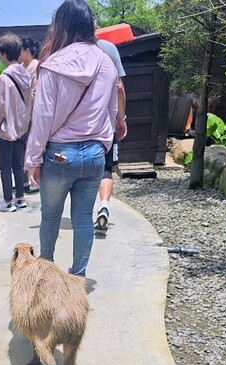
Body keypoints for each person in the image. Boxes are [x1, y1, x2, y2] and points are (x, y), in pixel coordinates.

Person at [24, 0, 118, 278]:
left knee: (51, 216)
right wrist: (103, 145)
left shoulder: (52, 65)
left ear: (61, 25)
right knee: (82, 219)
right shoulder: (106, 62)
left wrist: (33, 159)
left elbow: (42, 119)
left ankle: (47, 274)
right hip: (94, 155)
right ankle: (77, 277)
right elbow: (111, 111)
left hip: (59, 155)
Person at [0, 34, 32, 213]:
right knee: (18, 164)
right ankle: (20, 198)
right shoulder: (24, 74)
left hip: (7, 129)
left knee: (5, 166)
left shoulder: (5, 77)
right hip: (21, 127)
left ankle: (7, 202)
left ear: (3, 54)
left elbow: (1, 108)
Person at [93, 36, 128, 235]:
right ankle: (103, 206)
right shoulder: (109, 48)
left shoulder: (68, 48)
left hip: (81, 128)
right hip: (107, 127)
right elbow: (119, 87)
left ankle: (81, 213)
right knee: (106, 170)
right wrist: (121, 118)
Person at [20, 37, 41, 194]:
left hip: (31, 114)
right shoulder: (22, 66)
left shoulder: (35, 66)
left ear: (27, 51)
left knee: (31, 147)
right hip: (22, 114)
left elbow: (34, 92)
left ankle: (33, 182)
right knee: (22, 148)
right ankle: (24, 182)